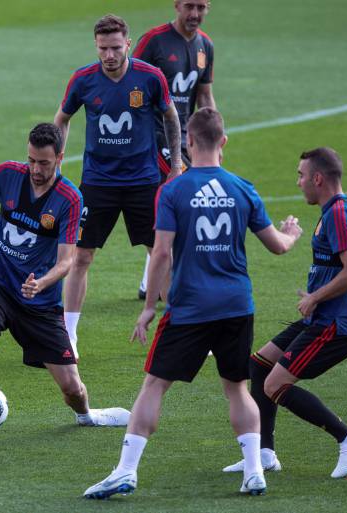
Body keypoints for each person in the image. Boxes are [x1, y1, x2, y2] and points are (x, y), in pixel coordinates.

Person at [83, 108, 303, 499]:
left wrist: (150, 305)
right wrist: (291, 234)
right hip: (237, 304)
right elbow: (277, 246)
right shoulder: (242, 187)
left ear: (188, 142)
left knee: (154, 385)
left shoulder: (173, 191)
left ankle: (125, 471)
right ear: (224, 142)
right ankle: (254, 470)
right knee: (236, 387)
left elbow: (162, 253)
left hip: (189, 308)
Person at [0, 123, 131, 454]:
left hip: (40, 300)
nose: (36, 169)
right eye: (32, 160)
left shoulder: (70, 199)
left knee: (72, 388)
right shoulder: (8, 174)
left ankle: (87, 416)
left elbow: (67, 261)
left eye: (45, 163)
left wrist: (42, 282)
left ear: (60, 158)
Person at [223, 148, 347, 479]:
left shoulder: (339, 214)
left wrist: (315, 297)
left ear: (318, 178)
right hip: (323, 315)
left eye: (301, 175)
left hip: (340, 323)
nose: (299, 182)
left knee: (275, 385)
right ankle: (264, 454)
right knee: (259, 365)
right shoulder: (336, 210)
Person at [54, 14, 183, 359]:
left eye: (115, 47)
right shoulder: (83, 80)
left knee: (160, 253)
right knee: (81, 256)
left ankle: (181, 330)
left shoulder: (150, 77)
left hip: (143, 181)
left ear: (128, 43)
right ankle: (69, 334)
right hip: (97, 183)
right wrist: (57, 159)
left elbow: (171, 116)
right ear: (95, 46)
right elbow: (62, 118)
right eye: (102, 48)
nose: (109, 55)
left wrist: (178, 165)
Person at [132, 0, 216, 300]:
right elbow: (131, 83)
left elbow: (204, 95)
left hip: (185, 138)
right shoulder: (153, 41)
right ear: (176, 5)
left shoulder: (205, 45)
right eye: (189, 6)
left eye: (201, 7)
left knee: (174, 207)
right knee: (179, 204)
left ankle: (149, 279)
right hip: (153, 138)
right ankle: (176, 283)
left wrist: (216, 134)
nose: (194, 14)